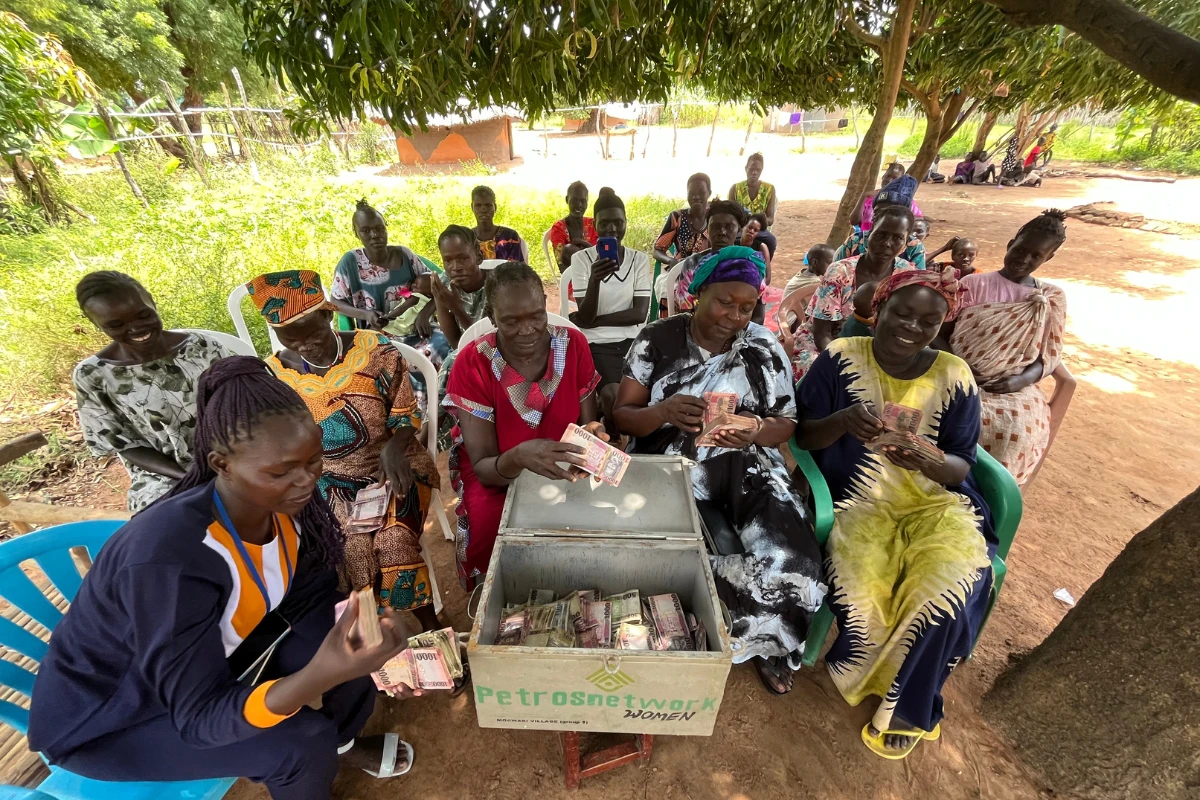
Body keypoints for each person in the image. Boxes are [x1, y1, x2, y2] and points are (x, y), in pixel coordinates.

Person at [29, 357, 421, 797]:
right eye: (281, 471)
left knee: (347, 641)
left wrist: (370, 626)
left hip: (213, 657)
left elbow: (311, 596)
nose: (306, 481)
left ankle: (344, 741)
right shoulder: (169, 561)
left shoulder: (284, 508)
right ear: (221, 463)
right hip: (117, 716)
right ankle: (313, 769)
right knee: (301, 742)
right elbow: (198, 719)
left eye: (314, 461)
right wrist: (319, 675)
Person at [795, 269, 994, 760]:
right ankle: (874, 678)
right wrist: (841, 421)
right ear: (878, 310)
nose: (911, 326)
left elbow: (960, 464)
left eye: (928, 320)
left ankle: (905, 708)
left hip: (934, 505)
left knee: (944, 591)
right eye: (902, 312)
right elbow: (801, 435)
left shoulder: (954, 375)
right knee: (864, 600)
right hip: (856, 505)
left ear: (941, 326)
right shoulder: (841, 358)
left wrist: (929, 458)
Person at [614, 246, 825, 695]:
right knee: (659, 560)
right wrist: (664, 412)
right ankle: (688, 633)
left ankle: (769, 641)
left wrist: (753, 428)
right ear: (698, 292)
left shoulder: (763, 346)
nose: (734, 315)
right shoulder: (658, 338)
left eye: (746, 307)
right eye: (724, 301)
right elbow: (622, 415)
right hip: (668, 461)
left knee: (792, 555)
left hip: (746, 461)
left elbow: (785, 425)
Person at [248, 271, 444, 632]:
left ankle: (432, 632)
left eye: (312, 333)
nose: (305, 345)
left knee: (394, 540)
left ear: (327, 314)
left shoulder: (374, 350)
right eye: (290, 339)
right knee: (349, 549)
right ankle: (373, 641)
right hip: (325, 481)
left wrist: (396, 447)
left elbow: (406, 415)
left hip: (394, 465)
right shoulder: (274, 376)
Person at [443, 262, 607, 588]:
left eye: (536, 316)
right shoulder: (473, 362)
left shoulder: (573, 345)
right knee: (491, 528)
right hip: (498, 471)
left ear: (546, 306)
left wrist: (595, 440)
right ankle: (501, 598)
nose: (527, 329)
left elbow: (590, 424)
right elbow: (484, 467)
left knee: (599, 522)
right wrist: (519, 457)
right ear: (491, 317)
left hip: (561, 459)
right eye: (511, 321)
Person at [72, 270, 232, 512]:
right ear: (96, 324)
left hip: (233, 453)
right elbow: (124, 444)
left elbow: (241, 400)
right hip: (165, 473)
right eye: (116, 325)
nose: (136, 328)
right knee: (169, 524)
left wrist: (233, 458)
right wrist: (187, 475)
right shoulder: (93, 375)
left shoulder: (202, 347)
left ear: (152, 301)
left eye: (143, 315)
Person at [946, 210, 1076, 486]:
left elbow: (1049, 356)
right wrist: (962, 367)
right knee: (946, 419)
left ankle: (991, 494)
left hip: (1012, 387)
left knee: (1015, 431)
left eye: (1036, 256)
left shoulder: (1051, 297)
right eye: (1020, 249)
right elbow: (942, 335)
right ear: (1011, 243)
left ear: (1048, 258)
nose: (1024, 259)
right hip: (958, 373)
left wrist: (1020, 380)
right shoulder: (972, 285)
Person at [331, 199, 446, 398]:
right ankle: (417, 415)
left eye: (378, 228)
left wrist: (425, 315)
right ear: (355, 232)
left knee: (445, 348)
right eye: (366, 231)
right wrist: (365, 314)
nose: (374, 235)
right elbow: (335, 302)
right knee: (400, 367)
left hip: (418, 329)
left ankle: (444, 409)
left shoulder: (405, 256)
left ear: (386, 226)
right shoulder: (350, 263)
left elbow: (440, 286)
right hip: (380, 335)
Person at [792, 205, 921, 379]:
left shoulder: (906, 275)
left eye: (897, 238)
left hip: (876, 348)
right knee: (821, 372)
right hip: (826, 342)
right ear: (869, 234)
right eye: (880, 234)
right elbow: (822, 333)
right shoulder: (839, 272)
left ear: (906, 244)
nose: (887, 243)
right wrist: (846, 365)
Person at [568, 187, 653, 414]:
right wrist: (595, 280)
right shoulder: (581, 260)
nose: (612, 229)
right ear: (594, 224)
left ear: (626, 222)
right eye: (604, 223)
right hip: (597, 345)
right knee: (612, 396)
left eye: (618, 222)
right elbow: (585, 315)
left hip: (633, 341)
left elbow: (639, 314)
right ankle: (614, 440)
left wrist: (594, 321)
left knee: (651, 394)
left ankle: (632, 441)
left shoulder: (639, 260)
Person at [660, 200, 749, 315]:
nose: (722, 232)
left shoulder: (749, 264)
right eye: (716, 226)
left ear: (739, 230)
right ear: (707, 227)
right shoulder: (692, 264)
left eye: (729, 227)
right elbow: (685, 313)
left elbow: (757, 315)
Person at [835, 175, 928, 268]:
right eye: (877, 212)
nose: (880, 218)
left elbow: (917, 279)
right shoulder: (855, 241)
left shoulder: (914, 248)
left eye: (889, 214)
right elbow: (835, 272)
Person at [653, 172, 712, 267]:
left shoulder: (714, 216)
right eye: (691, 193)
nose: (696, 197)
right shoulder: (677, 217)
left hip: (709, 271)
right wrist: (671, 261)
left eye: (701, 192)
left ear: (709, 193)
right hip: (681, 271)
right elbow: (657, 250)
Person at [727, 153, 778, 259]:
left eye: (758, 170)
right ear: (746, 168)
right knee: (728, 240)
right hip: (739, 229)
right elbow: (729, 215)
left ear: (761, 170)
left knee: (771, 241)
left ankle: (763, 268)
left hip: (758, 230)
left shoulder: (769, 189)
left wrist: (761, 220)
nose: (754, 172)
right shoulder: (735, 189)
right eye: (751, 169)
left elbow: (770, 219)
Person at [853, 163, 924, 232]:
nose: (889, 180)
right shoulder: (869, 197)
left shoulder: (905, 201)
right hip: (865, 239)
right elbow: (854, 221)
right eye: (888, 176)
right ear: (883, 176)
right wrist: (863, 196)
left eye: (895, 178)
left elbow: (920, 218)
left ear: (900, 181)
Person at [548, 181, 597, 272]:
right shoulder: (559, 228)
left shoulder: (594, 224)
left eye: (583, 201)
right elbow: (562, 266)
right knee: (568, 249)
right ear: (567, 199)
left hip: (599, 276)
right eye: (574, 200)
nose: (579, 205)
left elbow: (602, 256)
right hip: (571, 279)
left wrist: (580, 242)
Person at [471, 185, 524, 262]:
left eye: (488, 205)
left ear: (495, 207)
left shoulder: (510, 237)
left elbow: (517, 269)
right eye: (478, 205)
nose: (483, 209)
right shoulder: (467, 239)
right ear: (472, 207)